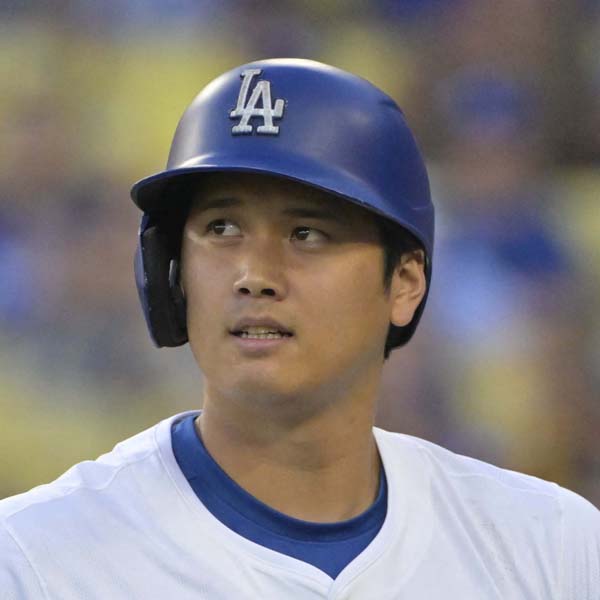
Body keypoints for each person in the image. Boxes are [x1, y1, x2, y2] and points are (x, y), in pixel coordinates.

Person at [1, 58, 598, 598]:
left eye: (307, 233)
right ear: (172, 273)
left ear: (404, 283)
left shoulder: (550, 547)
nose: (254, 275)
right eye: (221, 228)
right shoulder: (35, 560)